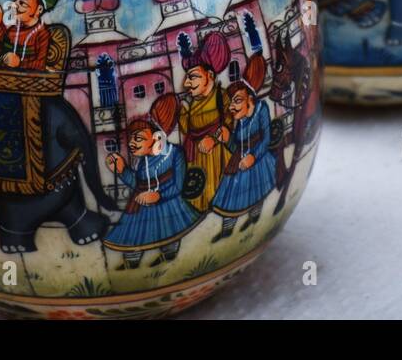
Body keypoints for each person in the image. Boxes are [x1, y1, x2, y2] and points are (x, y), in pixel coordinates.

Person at [104, 94, 199, 268]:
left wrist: (159, 196)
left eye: (138, 138)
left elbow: (179, 186)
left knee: (168, 234)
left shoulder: (174, 154)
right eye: (131, 138)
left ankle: (168, 258)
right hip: (141, 206)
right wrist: (122, 170)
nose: (132, 144)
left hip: (167, 203)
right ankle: (131, 265)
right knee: (133, 237)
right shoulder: (143, 161)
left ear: (156, 139)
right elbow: (138, 183)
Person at [210, 65, 275, 241]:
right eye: (231, 102)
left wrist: (254, 157)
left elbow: (266, 138)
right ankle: (226, 230)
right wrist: (227, 139)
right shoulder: (240, 121)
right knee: (230, 196)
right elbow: (236, 146)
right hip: (241, 159)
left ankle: (253, 218)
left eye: (237, 100)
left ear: (250, 99)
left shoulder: (261, 110)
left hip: (258, 159)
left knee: (257, 192)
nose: (232, 106)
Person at [178, 32, 231, 214]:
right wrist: (183, 113)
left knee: (219, 195)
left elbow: (228, 128)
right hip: (195, 158)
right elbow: (188, 130)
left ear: (209, 75)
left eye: (192, 77)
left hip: (215, 155)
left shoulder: (221, 97)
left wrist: (214, 140)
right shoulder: (193, 103)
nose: (186, 83)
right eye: (187, 77)